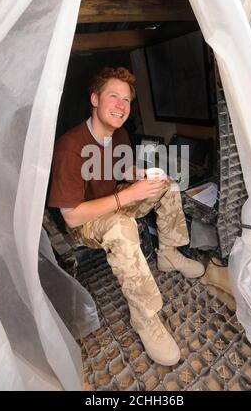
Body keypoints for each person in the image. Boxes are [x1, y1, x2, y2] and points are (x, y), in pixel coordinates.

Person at [49, 67, 204, 366]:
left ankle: (169, 253)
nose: (121, 105)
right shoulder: (70, 147)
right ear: (95, 99)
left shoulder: (119, 133)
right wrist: (128, 195)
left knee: (167, 186)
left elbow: (121, 169)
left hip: (116, 202)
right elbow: (71, 217)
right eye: (113, 96)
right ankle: (145, 318)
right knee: (121, 226)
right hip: (87, 219)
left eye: (127, 100)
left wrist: (143, 176)